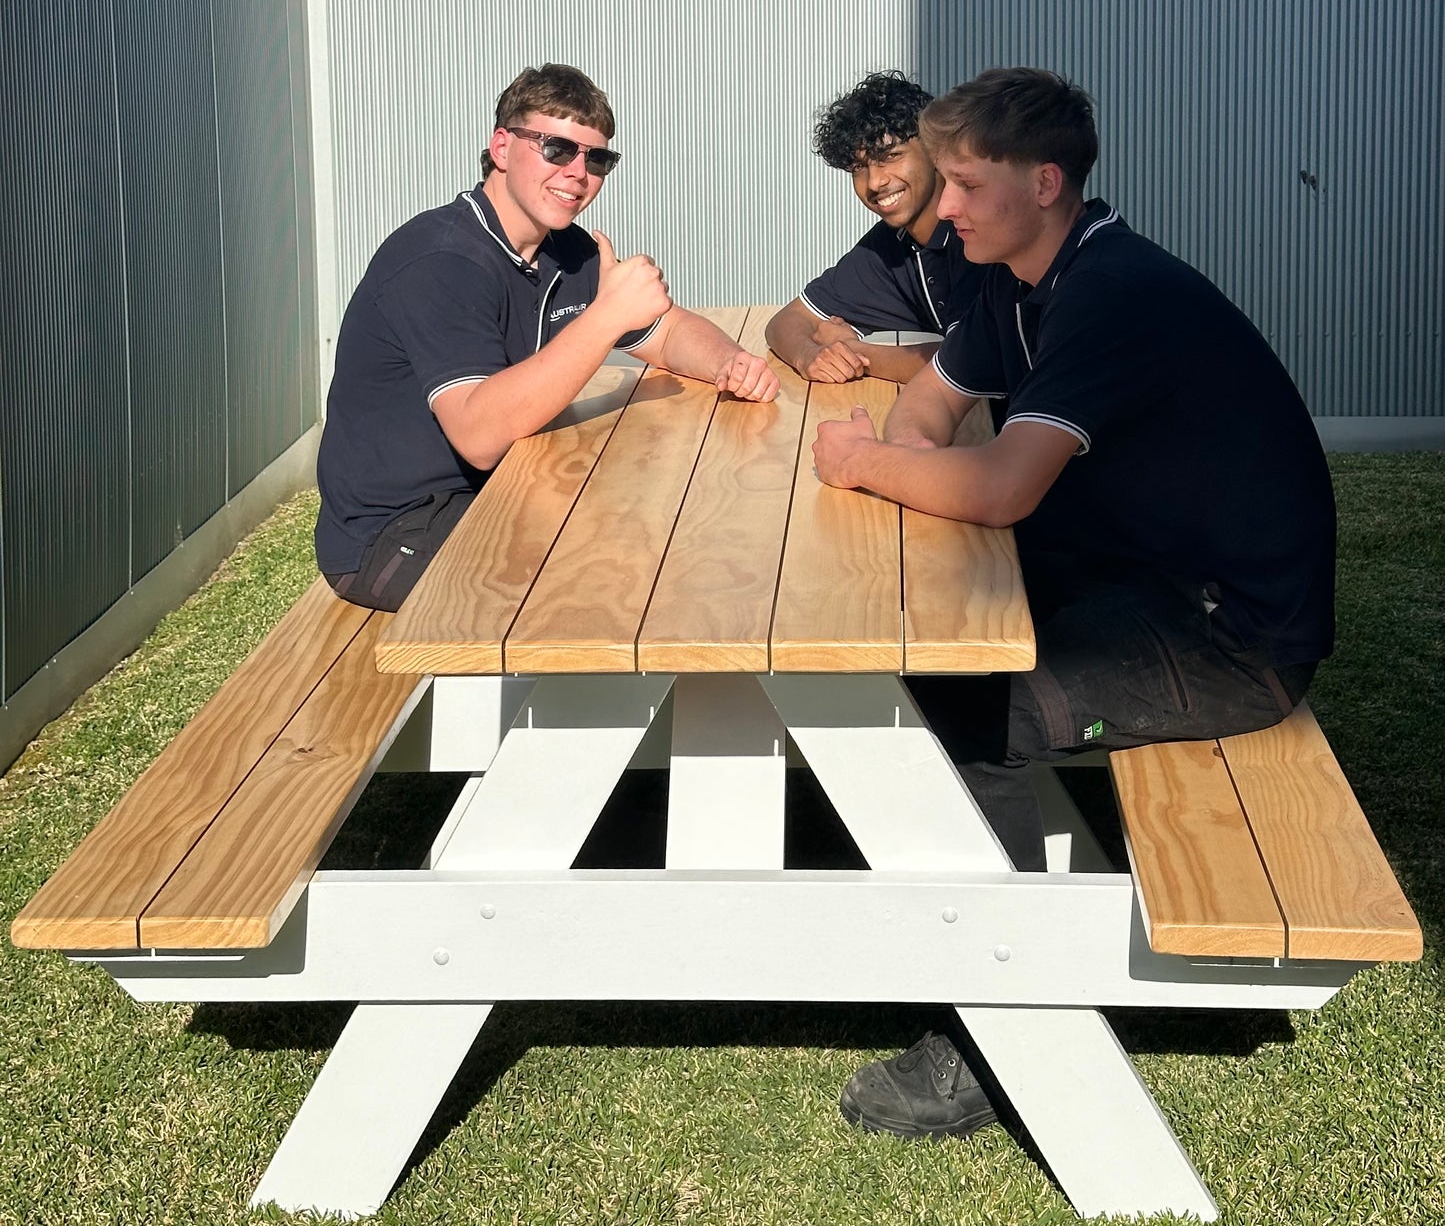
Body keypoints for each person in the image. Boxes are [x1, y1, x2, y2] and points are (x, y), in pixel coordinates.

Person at [812, 66, 1335, 1141]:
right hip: (1129, 568)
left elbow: (999, 482)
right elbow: (928, 408)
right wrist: (894, 453)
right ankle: (964, 919)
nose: (940, 208)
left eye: (962, 182)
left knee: (962, 708)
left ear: (1044, 181)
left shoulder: (1111, 291)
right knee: (923, 654)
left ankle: (993, 1026)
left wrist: (864, 468)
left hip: (1226, 636)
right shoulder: (1013, 279)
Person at [316, 62, 777, 606]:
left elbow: (668, 330)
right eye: (557, 149)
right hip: (395, 533)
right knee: (622, 579)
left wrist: (730, 361)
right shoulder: (443, 260)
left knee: (679, 526)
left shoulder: (568, 251)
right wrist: (606, 317)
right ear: (503, 147)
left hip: (499, 493)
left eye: (598, 159)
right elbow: (480, 437)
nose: (578, 173)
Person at [765, 71, 984, 385]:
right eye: (858, 168)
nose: (875, 181)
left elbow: (971, 359)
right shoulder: (890, 246)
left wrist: (854, 352)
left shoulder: (977, 232)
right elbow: (787, 320)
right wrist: (811, 356)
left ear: (936, 151)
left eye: (891, 156)